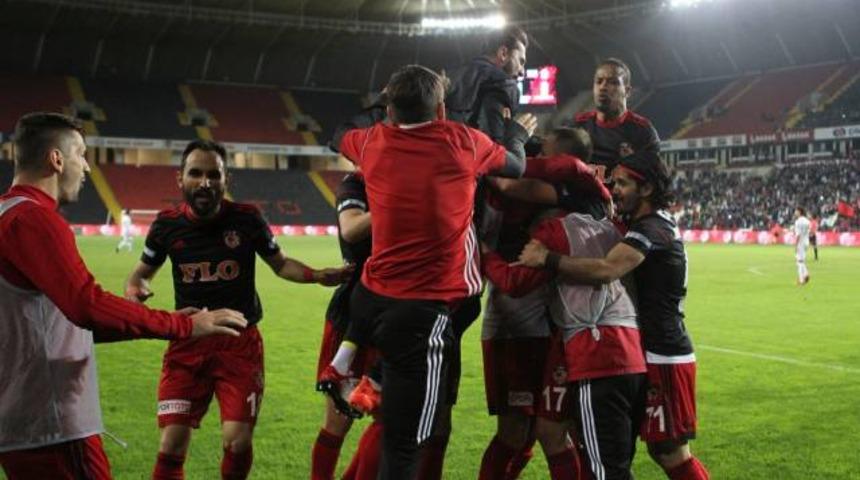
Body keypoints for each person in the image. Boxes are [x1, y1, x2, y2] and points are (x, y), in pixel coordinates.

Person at [0, 112, 247, 480]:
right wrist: (183, 326)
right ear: (56, 159)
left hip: (20, 419)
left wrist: (139, 318)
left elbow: (54, 320)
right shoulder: (34, 219)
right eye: (81, 154)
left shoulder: (6, 213)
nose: (87, 167)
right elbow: (86, 305)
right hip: (50, 424)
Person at [331, 64, 536, 479]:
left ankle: (348, 359)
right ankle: (362, 371)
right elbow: (515, 166)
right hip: (423, 315)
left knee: (398, 426)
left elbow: (337, 134)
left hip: (373, 297)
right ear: (441, 109)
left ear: (390, 110)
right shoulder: (463, 141)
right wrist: (517, 134)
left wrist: (383, 101)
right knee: (408, 443)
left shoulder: (372, 141)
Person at [123, 140, 349, 480]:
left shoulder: (246, 219)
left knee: (237, 442)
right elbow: (140, 274)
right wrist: (134, 289)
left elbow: (281, 264)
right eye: (195, 173)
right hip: (188, 343)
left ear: (225, 179)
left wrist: (317, 276)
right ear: (180, 178)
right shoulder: (166, 226)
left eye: (213, 174)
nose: (205, 182)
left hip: (239, 345)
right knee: (171, 444)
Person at [517, 151, 710, 480]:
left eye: (622, 184)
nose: (614, 190)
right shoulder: (647, 224)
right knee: (642, 452)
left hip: (665, 354)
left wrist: (547, 258)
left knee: (670, 451)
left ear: (646, 188)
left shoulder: (652, 228)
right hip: (648, 350)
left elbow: (607, 269)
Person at [482, 209, 648, 480]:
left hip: (596, 350)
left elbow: (514, 281)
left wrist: (485, 253)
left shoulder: (556, 232)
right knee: (553, 432)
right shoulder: (615, 228)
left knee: (607, 465)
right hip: (623, 348)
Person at [311, 171, 378, 480]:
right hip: (351, 314)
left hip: (400, 314)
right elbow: (351, 229)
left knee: (392, 420)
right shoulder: (356, 183)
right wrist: (400, 203)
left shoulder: (408, 175)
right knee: (338, 421)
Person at [573, 58, 660, 178]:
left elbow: (653, 181)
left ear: (627, 91)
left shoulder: (643, 131)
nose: (603, 87)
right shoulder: (578, 126)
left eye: (613, 82)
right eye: (598, 81)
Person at [793, 207, 811, 284]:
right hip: (806, 241)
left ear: (800, 212)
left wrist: (796, 244)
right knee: (801, 260)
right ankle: (806, 274)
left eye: (796, 211)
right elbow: (809, 231)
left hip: (800, 242)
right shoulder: (807, 221)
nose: (795, 213)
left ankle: (801, 280)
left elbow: (798, 235)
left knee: (799, 261)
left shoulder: (797, 222)